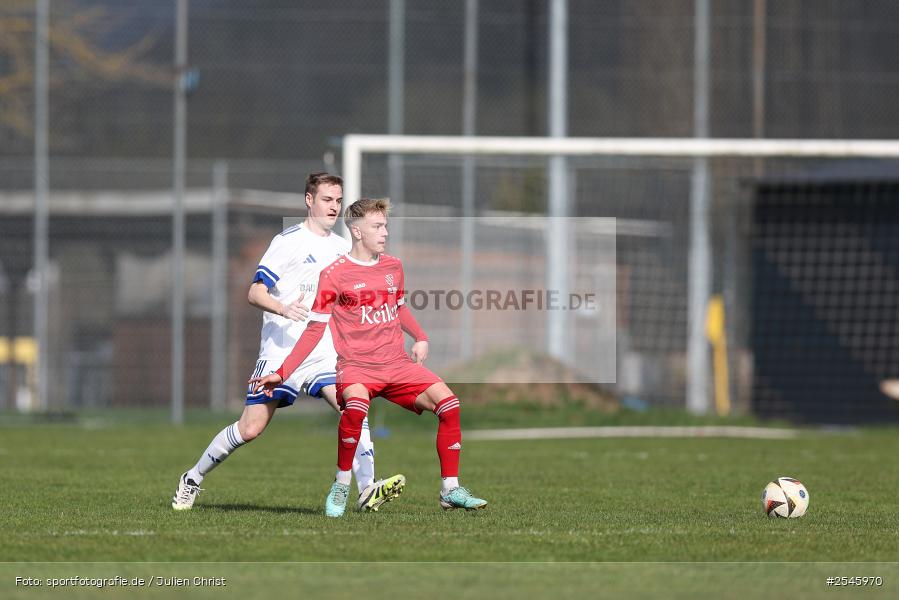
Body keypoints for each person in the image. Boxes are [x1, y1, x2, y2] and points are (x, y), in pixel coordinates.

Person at [172, 174, 405, 512]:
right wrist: (284, 308)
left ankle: (367, 487)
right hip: (281, 351)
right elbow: (254, 293)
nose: (333, 207)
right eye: (327, 200)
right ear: (309, 200)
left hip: (323, 352)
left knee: (353, 407)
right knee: (251, 428)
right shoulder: (287, 241)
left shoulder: (343, 248)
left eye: (338, 201)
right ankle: (192, 478)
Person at [250, 197, 487, 517]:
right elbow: (313, 330)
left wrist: (421, 336)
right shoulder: (334, 274)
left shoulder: (393, 266)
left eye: (385, 225)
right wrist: (282, 371)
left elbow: (399, 308)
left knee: (450, 405)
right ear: (356, 231)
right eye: (377, 226)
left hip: (397, 364)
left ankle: (450, 490)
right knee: (356, 409)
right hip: (357, 367)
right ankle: (341, 484)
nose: (385, 232)